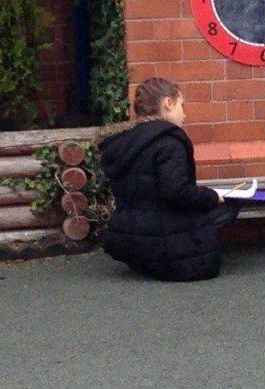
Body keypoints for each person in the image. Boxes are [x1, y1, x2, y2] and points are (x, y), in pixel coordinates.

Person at [97, 78, 240, 280]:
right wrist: (212, 196)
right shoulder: (169, 143)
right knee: (230, 206)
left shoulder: (125, 141)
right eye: (182, 105)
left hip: (127, 238)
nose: (184, 114)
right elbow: (176, 193)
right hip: (161, 242)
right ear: (167, 103)